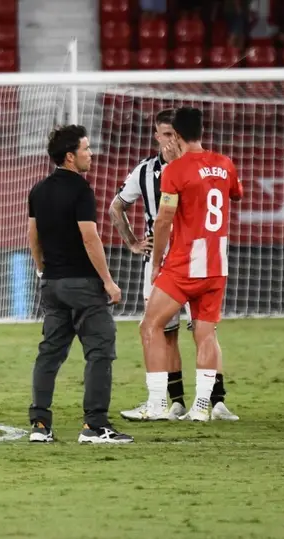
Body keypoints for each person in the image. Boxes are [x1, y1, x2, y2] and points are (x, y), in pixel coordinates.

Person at [111, 109, 239, 421]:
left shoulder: (175, 170)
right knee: (204, 334)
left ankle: (156, 404)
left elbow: (165, 218)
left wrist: (155, 262)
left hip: (182, 262)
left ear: (178, 136)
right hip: (216, 261)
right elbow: (235, 194)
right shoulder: (225, 163)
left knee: (150, 326)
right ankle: (199, 406)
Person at [26, 124, 133, 445]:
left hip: (53, 285)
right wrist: (108, 282)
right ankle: (95, 425)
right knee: (100, 351)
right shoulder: (81, 191)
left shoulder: (38, 190)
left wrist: (43, 270)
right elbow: (90, 238)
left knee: (50, 353)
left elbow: (33, 235)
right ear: (70, 156)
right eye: (86, 148)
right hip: (83, 285)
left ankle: (40, 424)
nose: (91, 154)